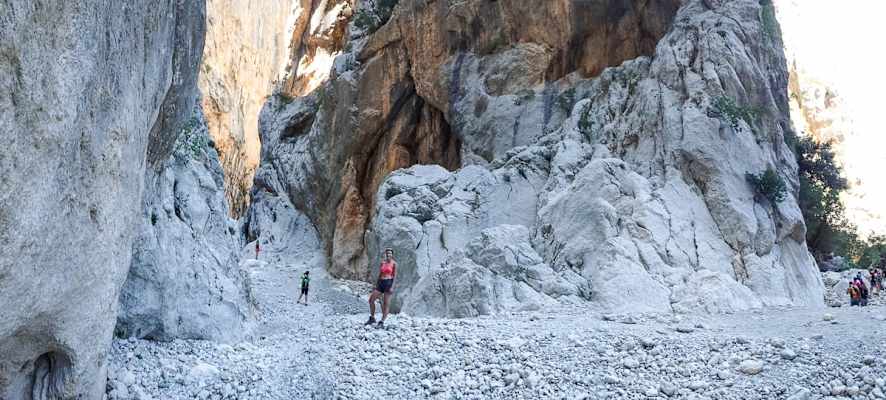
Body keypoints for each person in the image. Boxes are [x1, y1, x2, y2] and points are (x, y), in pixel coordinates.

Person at [365, 248, 397, 328]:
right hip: (381, 283)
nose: (388, 255)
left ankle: (382, 322)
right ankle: (372, 318)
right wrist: (376, 284)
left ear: (392, 255)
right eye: (387, 253)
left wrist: (392, 287)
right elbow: (380, 273)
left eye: (390, 253)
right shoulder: (382, 263)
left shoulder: (394, 264)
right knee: (371, 300)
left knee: (386, 304)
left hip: (388, 283)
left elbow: (395, 277)